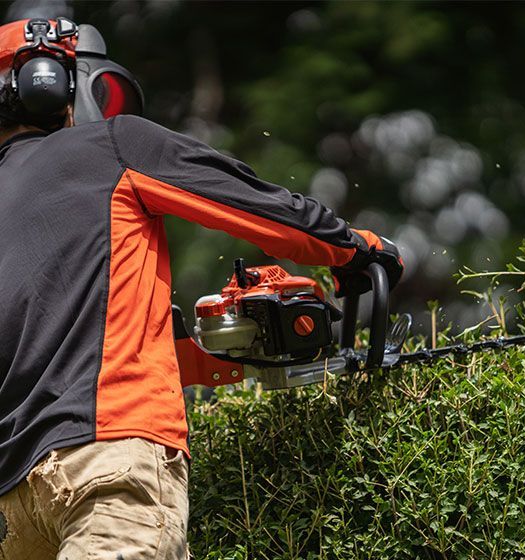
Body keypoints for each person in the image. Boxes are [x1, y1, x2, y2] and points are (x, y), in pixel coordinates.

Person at [0, 18, 402, 559]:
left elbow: (56, 333)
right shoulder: (112, 145)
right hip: (108, 465)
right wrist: (356, 248)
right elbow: (259, 206)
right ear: (50, 84)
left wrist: (213, 354)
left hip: (13, 503)